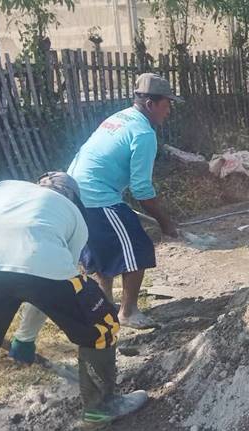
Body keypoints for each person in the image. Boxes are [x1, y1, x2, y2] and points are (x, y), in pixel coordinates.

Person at [0, 173, 148, 431]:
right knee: (101, 327)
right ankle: (101, 407)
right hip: (41, 263)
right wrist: (25, 337)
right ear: (73, 197)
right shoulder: (74, 216)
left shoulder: (0, 188)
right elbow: (52, 285)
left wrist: (25, 338)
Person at [67, 73, 181, 330]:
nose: (169, 110)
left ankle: (105, 308)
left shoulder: (120, 117)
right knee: (137, 249)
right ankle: (128, 312)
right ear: (150, 104)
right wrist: (165, 223)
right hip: (97, 196)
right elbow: (142, 190)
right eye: (167, 103)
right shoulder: (143, 133)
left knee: (103, 252)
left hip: (74, 191)